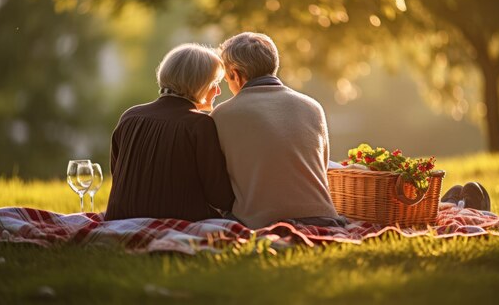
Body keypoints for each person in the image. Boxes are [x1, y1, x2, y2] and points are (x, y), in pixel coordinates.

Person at [211, 32, 345, 229]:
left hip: (259, 222)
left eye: (226, 79)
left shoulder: (222, 114)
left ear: (236, 75)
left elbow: (217, 182)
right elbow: (321, 166)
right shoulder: (313, 107)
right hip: (323, 218)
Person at [104, 44, 235, 221]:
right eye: (215, 83)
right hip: (179, 220)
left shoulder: (130, 116)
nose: (218, 91)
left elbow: (118, 174)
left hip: (120, 218)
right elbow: (220, 197)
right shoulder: (199, 124)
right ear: (199, 84)